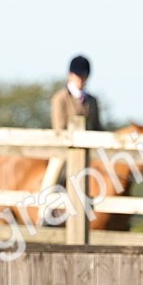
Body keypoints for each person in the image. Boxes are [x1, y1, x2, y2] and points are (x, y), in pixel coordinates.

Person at [41, 55, 102, 209]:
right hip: (64, 149)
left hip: (89, 150)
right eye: (78, 76)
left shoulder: (92, 101)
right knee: (53, 175)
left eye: (84, 76)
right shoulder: (60, 98)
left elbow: (98, 127)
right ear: (70, 75)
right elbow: (59, 127)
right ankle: (44, 210)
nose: (81, 79)